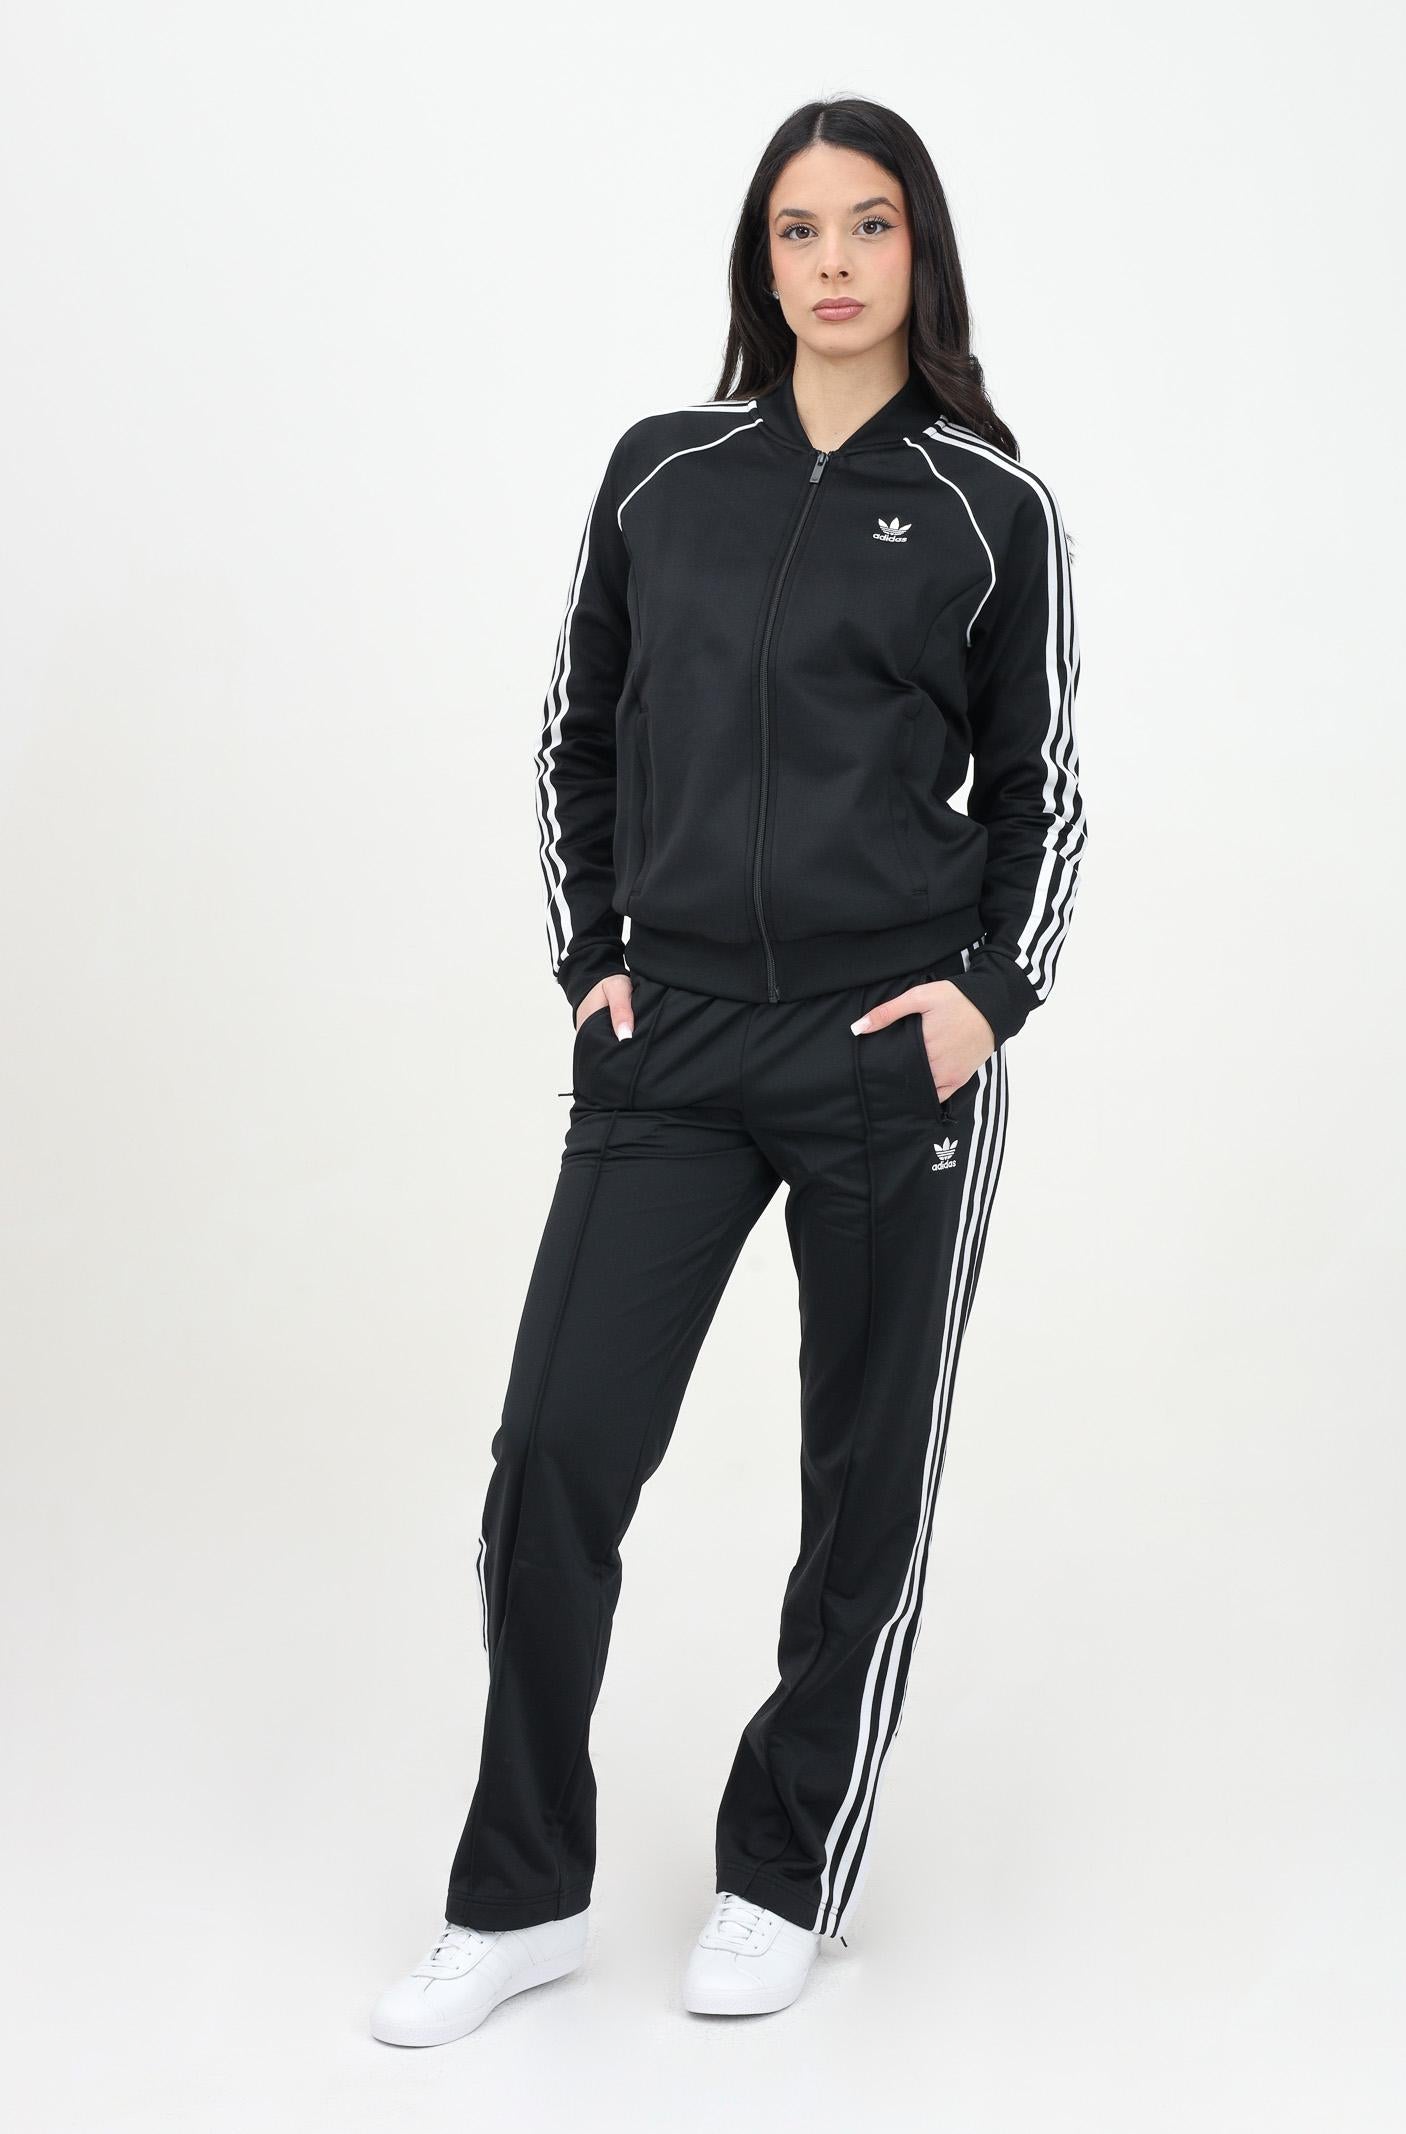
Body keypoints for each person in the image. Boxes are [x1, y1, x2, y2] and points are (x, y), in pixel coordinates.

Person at [371, 92, 1087, 2046]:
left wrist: (984, 999)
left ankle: (784, 1867)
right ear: (757, 261)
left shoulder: (989, 507)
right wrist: (594, 961)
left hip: (886, 1054)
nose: (833, 262)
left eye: (869, 225)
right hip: (669, 1043)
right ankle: (519, 1891)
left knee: (862, 1485)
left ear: (919, 253)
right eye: (797, 228)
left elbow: (1040, 789)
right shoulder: (661, 473)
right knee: (553, 1461)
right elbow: (578, 734)